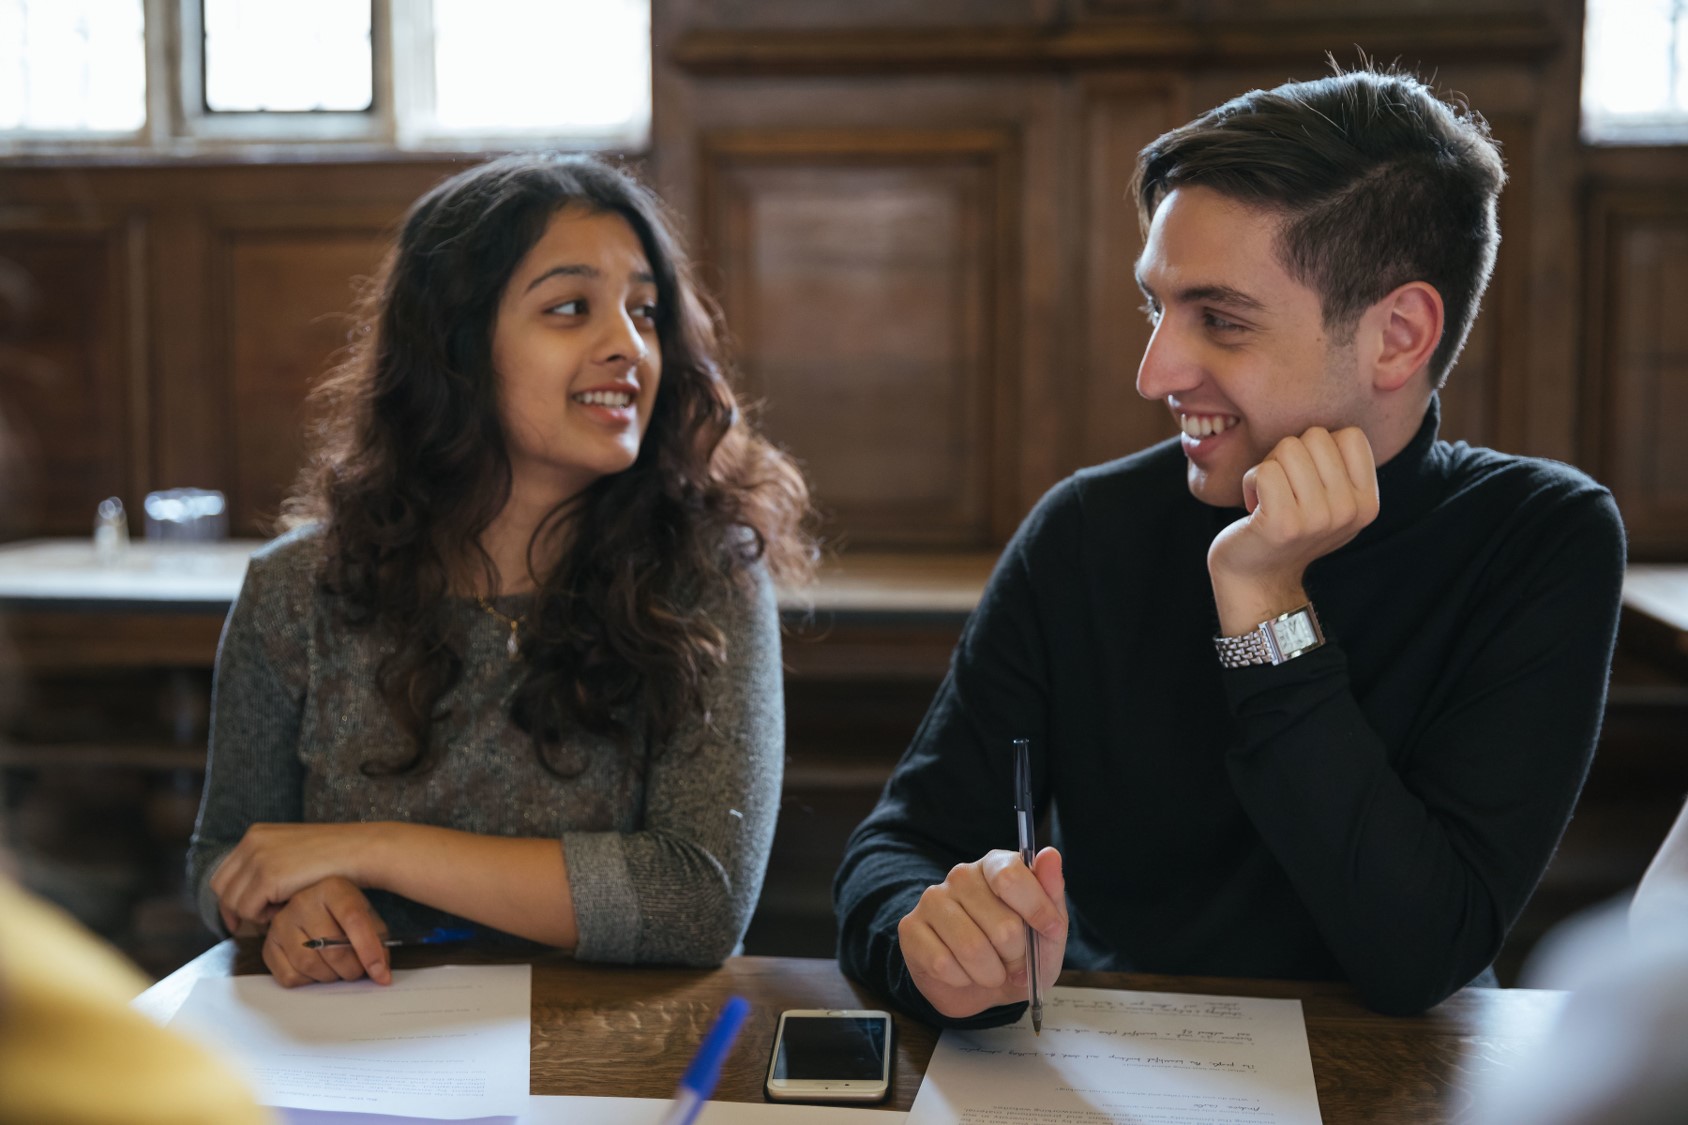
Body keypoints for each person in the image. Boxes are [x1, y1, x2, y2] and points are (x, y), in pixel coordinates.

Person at [834, 65, 1626, 1023]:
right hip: (1105, 1059)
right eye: (1155, 307)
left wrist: (1265, 600)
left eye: (1219, 318)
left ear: (1398, 336)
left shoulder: (1541, 537)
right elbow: (894, 853)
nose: (1153, 370)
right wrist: (931, 942)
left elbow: (1420, 954)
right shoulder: (1087, 530)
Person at [190, 153, 814, 988]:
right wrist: (278, 908)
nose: (628, 346)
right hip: (357, 1059)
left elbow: (697, 899)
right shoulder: (296, 589)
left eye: (646, 312)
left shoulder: (706, 577)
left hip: (609, 1070)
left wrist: (370, 848)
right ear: (454, 345)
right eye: (569, 308)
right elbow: (225, 851)